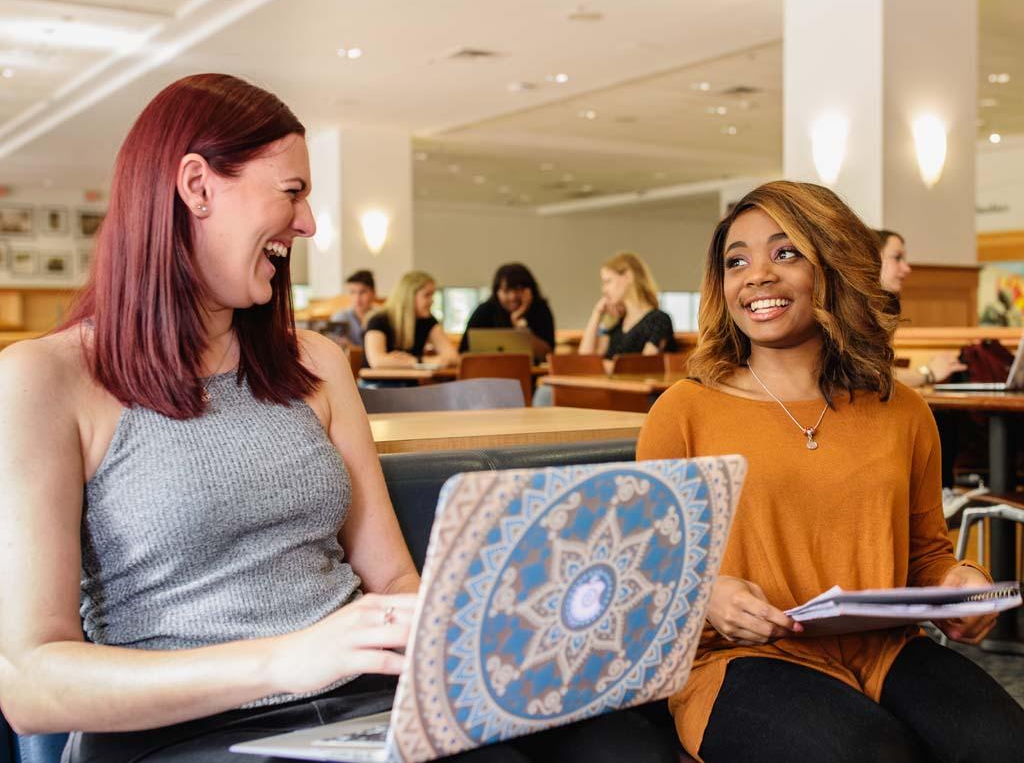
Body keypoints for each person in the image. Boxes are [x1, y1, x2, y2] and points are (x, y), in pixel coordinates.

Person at [0, 74, 679, 763]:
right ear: (197, 187)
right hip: (181, 731)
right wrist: (285, 660)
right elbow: (30, 684)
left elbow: (391, 581)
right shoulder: (46, 380)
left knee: (622, 743)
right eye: (292, 192)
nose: (310, 224)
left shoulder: (319, 363)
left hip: (364, 699)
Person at [637, 181, 1024, 763]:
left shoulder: (904, 411)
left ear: (834, 264)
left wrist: (960, 586)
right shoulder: (683, 412)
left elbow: (926, 555)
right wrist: (707, 594)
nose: (757, 275)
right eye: (735, 261)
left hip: (886, 650)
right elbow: (647, 575)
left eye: (785, 252)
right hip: (737, 661)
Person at [878, 229, 967, 387]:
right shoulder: (853, 314)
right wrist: (929, 373)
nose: (907, 268)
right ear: (870, 258)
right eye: (897, 258)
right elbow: (873, 378)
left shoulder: (886, 307)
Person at [579, 252, 676, 372]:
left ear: (628, 276)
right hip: (610, 388)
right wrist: (597, 312)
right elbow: (584, 358)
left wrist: (598, 366)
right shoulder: (617, 326)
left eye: (608, 281)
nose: (604, 290)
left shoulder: (660, 320)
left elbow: (643, 366)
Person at [459, 263, 555, 362]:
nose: (512, 297)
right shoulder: (485, 311)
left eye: (518, 289)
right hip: (487, 372)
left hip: (530, 376)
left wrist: (521, 329)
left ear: (529, 290)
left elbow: (548, 355)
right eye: (506, 291)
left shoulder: (541, 310)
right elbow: (464, 352)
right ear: (497, 292)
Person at [363, 271, 459, 368]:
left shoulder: (427, 320)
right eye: (427, 295)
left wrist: (415, 360)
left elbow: (453, 357)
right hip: (377, 382)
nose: (432, 300)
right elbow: (377, 362)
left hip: (411, 381)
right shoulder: (379, 320)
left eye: (432, 295)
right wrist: (420, 362)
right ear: (409, 296)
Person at [328, 269, 376, 348]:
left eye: (363, 292)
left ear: (373, 292)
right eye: (352, 292)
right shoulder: (340, 318)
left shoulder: (382, 316)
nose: (357, 298)